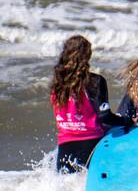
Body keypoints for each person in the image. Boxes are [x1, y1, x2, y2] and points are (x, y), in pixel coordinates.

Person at [49, 35, 132, 173]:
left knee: (68, 190)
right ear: (87, 56)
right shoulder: (95, 82)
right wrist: (127, 121)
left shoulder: (57, 85)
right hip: (91, 146)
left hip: (65, 147)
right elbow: (105, 117)